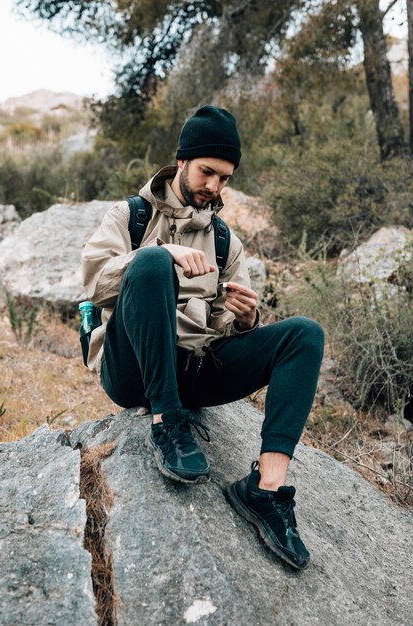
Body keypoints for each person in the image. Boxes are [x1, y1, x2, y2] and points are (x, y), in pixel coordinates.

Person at [82, 105, 324, 570]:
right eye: (208, 172)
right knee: (151, 263)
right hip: (132, 371)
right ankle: (167, 424)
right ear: (183, 160)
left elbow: (221, 327)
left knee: (305, 335)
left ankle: (266, 489)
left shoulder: (223, 239)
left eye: (225, 178)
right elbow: (94, 283)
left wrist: (246, 318)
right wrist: (160, 253)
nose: (214, 187)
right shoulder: (129, 216)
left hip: (196, 368)